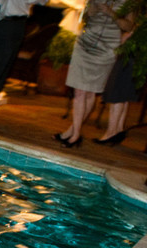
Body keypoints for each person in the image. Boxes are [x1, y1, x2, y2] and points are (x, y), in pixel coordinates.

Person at [54, 0, 135, 147]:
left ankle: (72, 132)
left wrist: (112, 14)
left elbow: (129, 26)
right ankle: (76, 133)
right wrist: (93, 9)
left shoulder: (128, 2)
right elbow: (85, 17)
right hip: (85, 43)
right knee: (79, 91)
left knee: (90, 92)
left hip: (107, 49)